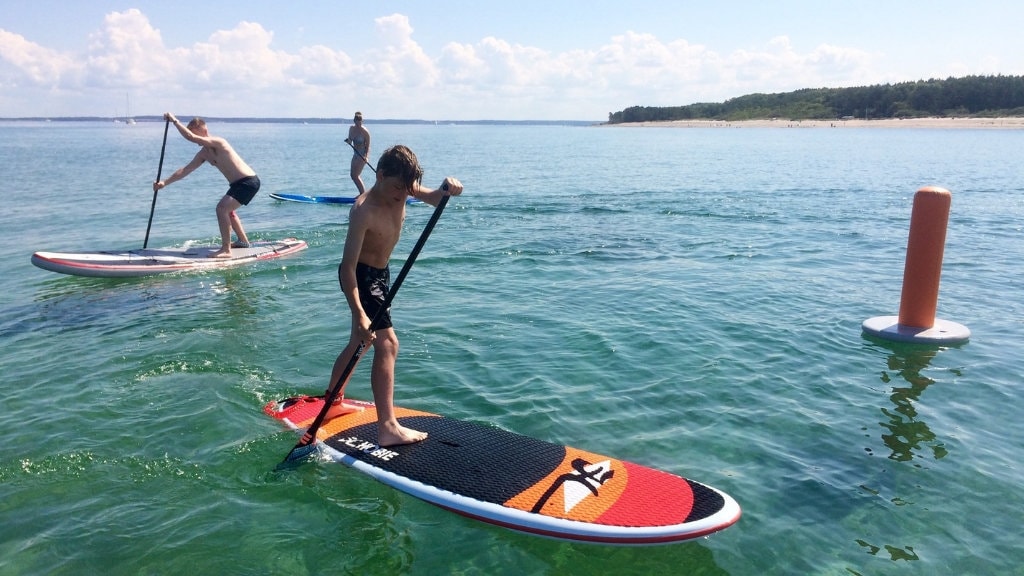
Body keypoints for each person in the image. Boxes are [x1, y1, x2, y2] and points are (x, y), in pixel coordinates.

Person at [324, 145, 463, 446]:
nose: (403, 195)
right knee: (388, 344)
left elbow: (433, 197)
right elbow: (346, 268)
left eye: (407, 187)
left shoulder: (403, 187)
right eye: (398, 187)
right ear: (381, 175)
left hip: (382, 275)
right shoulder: (364, 210)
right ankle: (387, 428)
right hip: (361, 278)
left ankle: (332, 398)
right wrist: (359, 311)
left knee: (359, 343)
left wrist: (447, 188)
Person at [153, 113, 260, 258]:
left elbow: (191, 137)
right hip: (237, 184)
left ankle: (226, 250)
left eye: (193, 131)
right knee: (228, 210)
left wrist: (175, 121)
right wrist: (164, 183)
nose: (192, 137)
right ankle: (243, 241)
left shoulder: (219, 142)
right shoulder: (204, 153)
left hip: (248, 182)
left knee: (221, 208)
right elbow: (186, 170)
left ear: (201, 129)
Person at [344, 111, 371, 195]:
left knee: (356, 175)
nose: (359, 124)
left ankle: (362, 194)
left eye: (361, 121)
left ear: (362, 121)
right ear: (354, 121)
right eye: (357, 121)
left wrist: (366, 157)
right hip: (355, 154)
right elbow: (350, 140)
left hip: (362, 155)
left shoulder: (365, 132)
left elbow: (368, 146)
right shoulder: (351, 128)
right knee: (352, 175)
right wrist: (348, 141)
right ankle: (361, 193)